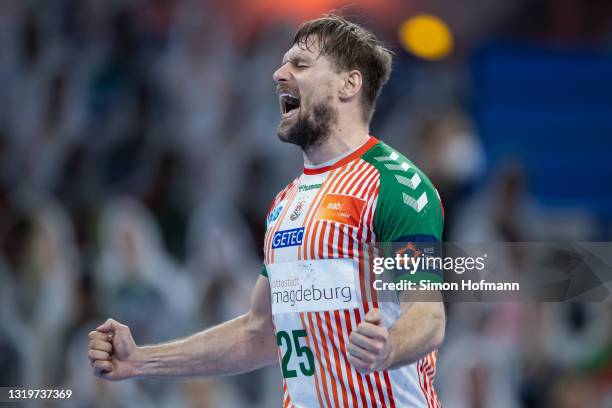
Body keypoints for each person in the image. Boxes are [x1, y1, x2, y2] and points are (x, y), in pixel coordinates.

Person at [89, 14, 446, 407]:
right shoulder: (284, 204)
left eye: (300, 64)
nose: (278, 74)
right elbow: (258, 333)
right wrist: (141, 360)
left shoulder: (396, 185)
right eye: (283, 63)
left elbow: (428, 315)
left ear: (349, 83)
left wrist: (389, 348)